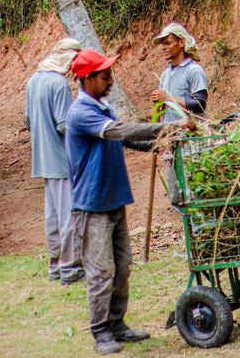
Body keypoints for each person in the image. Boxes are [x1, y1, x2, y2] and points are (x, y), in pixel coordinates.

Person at [66, 49, 192, 355]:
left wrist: (160, 143)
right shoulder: (82, 112)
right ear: (87, 79)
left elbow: (126, 140)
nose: (110, 80)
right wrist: (167, 127)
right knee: (101, 271)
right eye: (104, 76)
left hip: (113, 199)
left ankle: (117, 324)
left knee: (122, 267)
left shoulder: (102, 106)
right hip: (91, 205)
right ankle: (101, 333)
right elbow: (119, 132)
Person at [25, 38, 85, 285]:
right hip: (62, 161)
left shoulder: (33, 81)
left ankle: (55, 268)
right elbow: (64, 125)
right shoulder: (59, 84)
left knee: (52, 218)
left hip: (42, 160)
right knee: (68, 217)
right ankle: (70, 269)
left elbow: (29, 122)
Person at [149, 23, 208, 205]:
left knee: (194, 194)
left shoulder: (194, 71)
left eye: (168, 43)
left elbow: (200, 104)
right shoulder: (165, 75)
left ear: (181, 42)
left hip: (191, 143)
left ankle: (196, 232)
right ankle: (187, 231)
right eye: (163, 45)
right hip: (172, 142)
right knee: (177, 197)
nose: (164, 48)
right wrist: (157, 116)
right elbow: (163, 106)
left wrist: (170, 98)